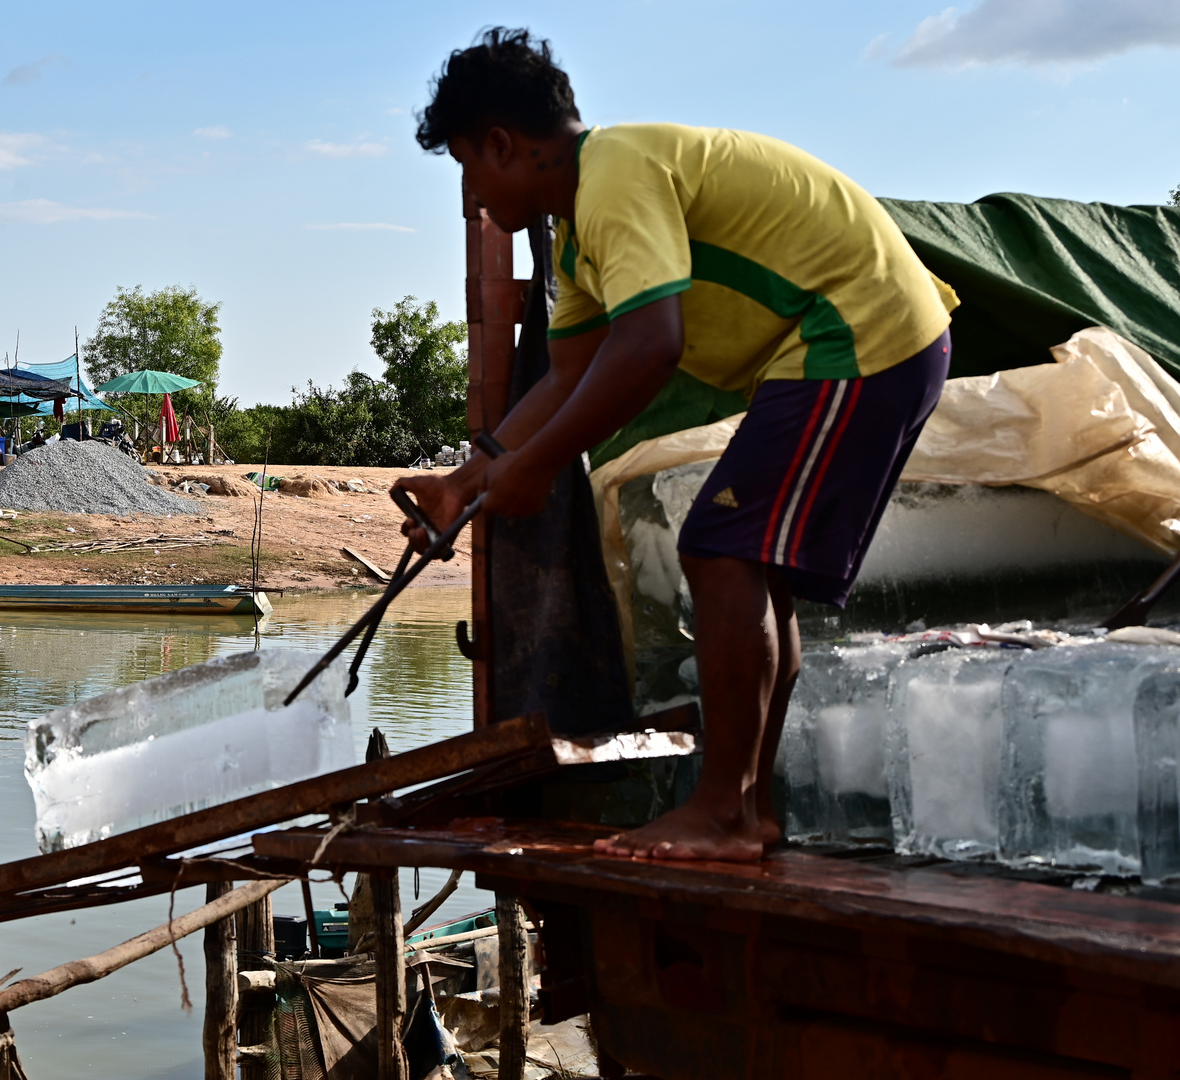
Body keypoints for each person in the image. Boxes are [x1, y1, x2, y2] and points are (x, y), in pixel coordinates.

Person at [397, 29, 956, 862]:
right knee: (744, 561)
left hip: (859, 332)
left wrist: (538, 467)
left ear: (502, 145)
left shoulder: (614, 176)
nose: (474, 192)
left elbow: (650, 345)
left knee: (722, 549)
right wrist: (469, 479)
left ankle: (724, 814)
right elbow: (566, 377)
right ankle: (751, 813)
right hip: (842, 345)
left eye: (469, 166)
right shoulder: (578, 234)